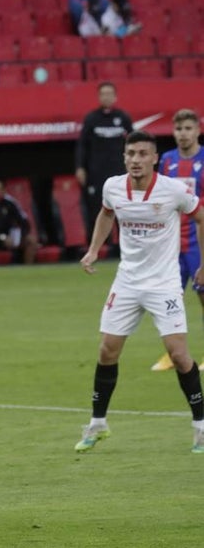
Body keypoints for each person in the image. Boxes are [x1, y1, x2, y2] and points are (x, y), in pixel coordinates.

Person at [76, 130, 204, 454]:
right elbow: (106, 214)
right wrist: (93, 250)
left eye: (142, 154)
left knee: (178, 354)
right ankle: (97, 424)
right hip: (128, 282)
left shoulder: (174, 190)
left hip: (164, 284)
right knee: (107, 350)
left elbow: (201, 216)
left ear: (154, 158)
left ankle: (200, 427)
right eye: (130, 154)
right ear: (124, 157)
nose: (136, 160)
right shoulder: (112, 187)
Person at [152, 109, 204, 372]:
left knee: (203, 295)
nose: (183, 134)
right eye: (178, 129)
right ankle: (172, 354)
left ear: (197, 130)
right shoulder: (167, 161)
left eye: (188, 128)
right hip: (172, 242)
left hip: (199, 239)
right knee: (169, 298)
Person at [77, 82, 134, 231]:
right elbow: (82, 145)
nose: (106, 97)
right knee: (98, 209)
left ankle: (123, 244)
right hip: (97, 173)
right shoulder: (91, 119)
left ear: (115, 97)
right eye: (103, 94)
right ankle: (99, 246)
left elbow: (133, 143)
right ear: (99, 97)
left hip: (119, 171)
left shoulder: (123, 117)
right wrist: (80, 167)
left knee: (123, 209)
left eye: (109, 94)